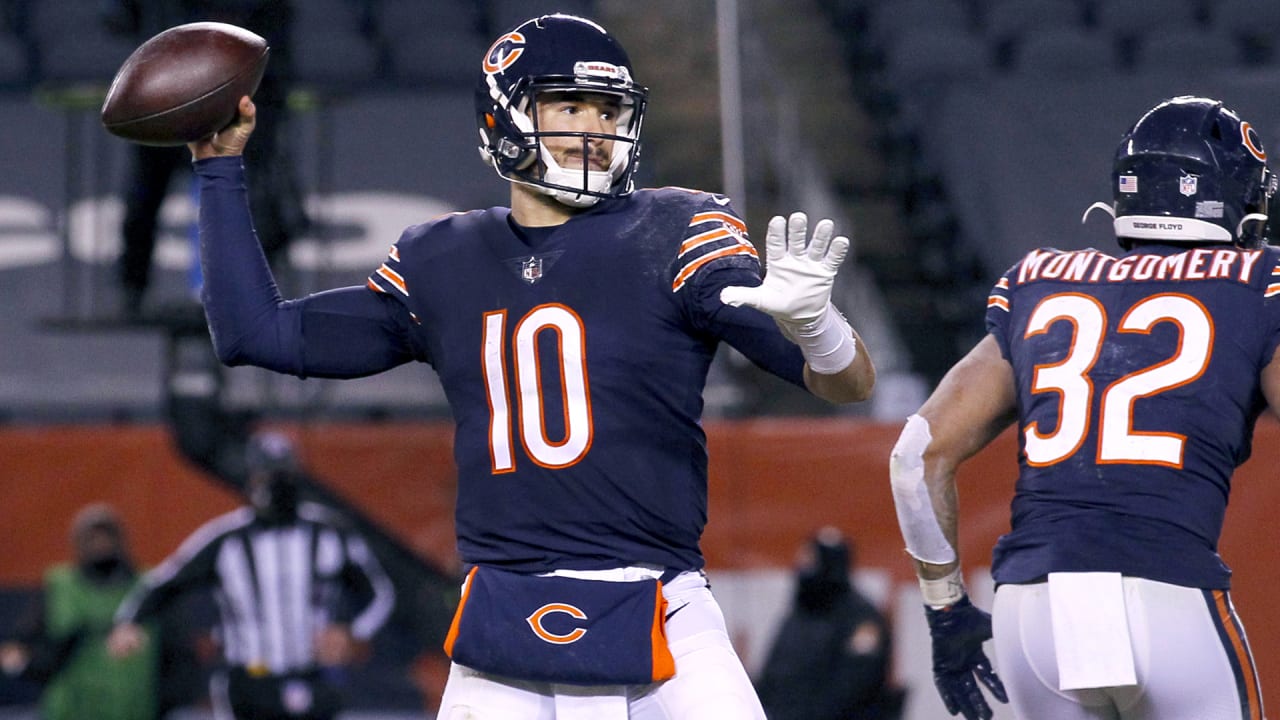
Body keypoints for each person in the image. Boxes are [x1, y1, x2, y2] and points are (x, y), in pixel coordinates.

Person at [186, 12, 875, 719]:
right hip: (503, 621)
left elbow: (849, 385)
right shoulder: (442, 259)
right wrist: (218, 169)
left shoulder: (675, 229)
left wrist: (818, 328)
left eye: (609, 109)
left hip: (662, 606)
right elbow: (255, 333)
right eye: (569, 105)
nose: (594, 127)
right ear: (505, 116)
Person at [887, 95, 1279, 720]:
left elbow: (915, 457)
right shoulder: (1259, 281)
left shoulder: (1039, 278)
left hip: (1034, 614)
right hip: (1167, 594)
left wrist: (945, 610)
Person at [107, 432, 397, 720]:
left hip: (315, 677)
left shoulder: (329, 533)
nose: (275, 484)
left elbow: (380, 593)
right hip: (251, 680)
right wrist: (129, 621)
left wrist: (351, 630)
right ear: (252, 479)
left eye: (282, 474)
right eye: (267, 475)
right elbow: (165, 583)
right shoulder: (225, 540)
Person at [104, 0, 306, 317]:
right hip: (166, 93)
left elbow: (274, 32)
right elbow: (123, 19)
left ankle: (243, 293)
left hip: (238, 96)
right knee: (145, 191)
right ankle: (132, 289)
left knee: (241, 193)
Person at [0, 504, 160, 720]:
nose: (101, 544)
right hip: (70, 709)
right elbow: (24, 647)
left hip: (135, 710)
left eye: (107, 535)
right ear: (79, 542)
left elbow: (177, 652)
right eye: (92, 537)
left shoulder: (149, 585)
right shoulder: (59, 586)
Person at [755, 527, 903, 720]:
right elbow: (773, 672)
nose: (804, 569)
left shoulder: (862, 620)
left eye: (811, 562)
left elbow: (855, 685)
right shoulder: (799, 615)